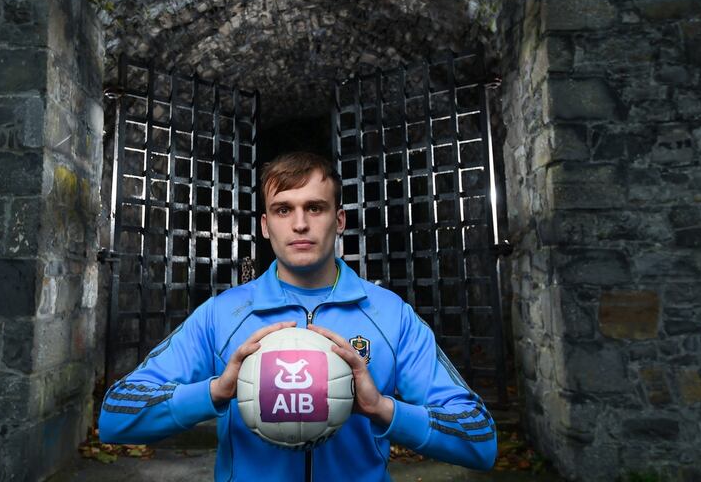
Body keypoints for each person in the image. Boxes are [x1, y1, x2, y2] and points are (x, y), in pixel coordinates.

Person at [99, 151, 497, 481]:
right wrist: (216, 392)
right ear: (266, 225)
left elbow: (480, 440)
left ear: (339, 221)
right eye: (283, 209)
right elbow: (116, 415)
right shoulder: (223, 315)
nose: (301, 223)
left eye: (315, 207)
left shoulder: (391, 316)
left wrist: (382, 408)